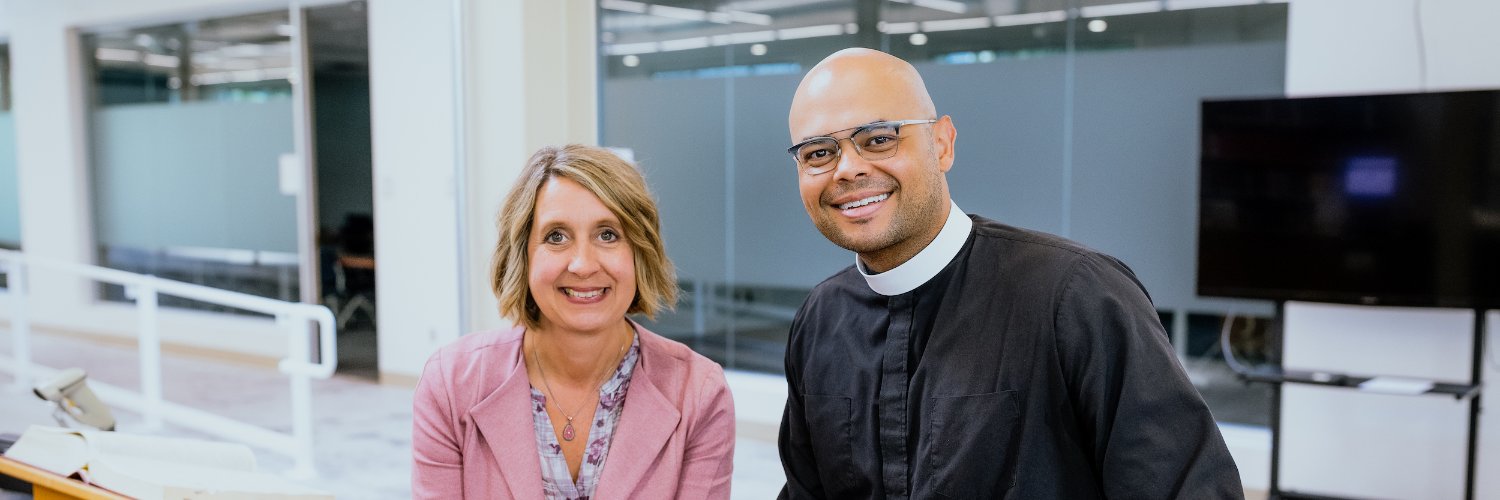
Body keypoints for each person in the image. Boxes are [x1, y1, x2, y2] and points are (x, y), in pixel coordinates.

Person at [777, 48, 1242, 499]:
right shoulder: (820, 320)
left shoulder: (1075, 295)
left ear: (942, 144)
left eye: (879, 138)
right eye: (818, 152)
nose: (849, 169)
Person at [412, 145, 735, 499]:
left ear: (640, 254)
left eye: (608, 234)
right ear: (523, 255)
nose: (582, 264)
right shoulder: (452, 383)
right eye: (556, 236)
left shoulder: (700, 394)